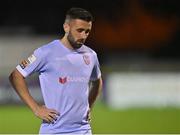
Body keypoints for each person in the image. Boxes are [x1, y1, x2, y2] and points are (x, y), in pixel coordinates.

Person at [9, 7, 102, 134]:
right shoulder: (46, 52)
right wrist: (36, 108)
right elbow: (16, 75)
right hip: (54, 130)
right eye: (79, 30)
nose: (83, 36)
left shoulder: (91, 55)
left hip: (83, 130)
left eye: (87, 31)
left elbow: (97, 82)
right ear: (66, 27)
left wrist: (89, 107)